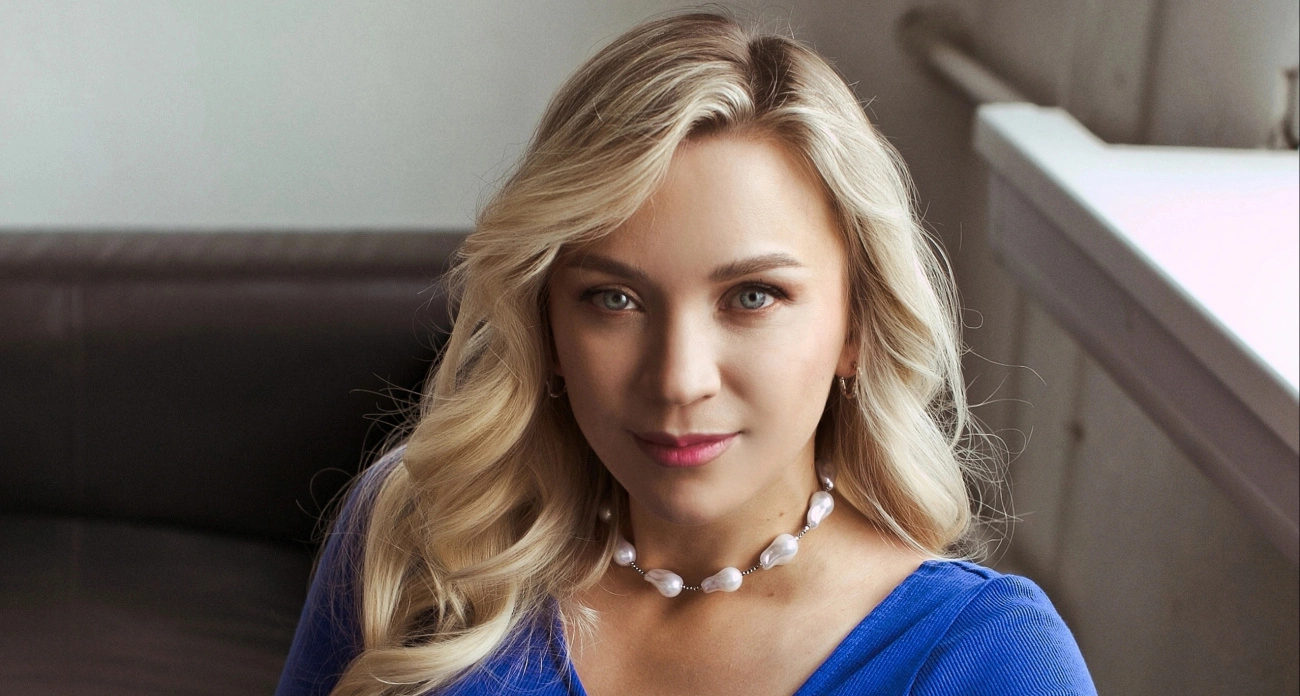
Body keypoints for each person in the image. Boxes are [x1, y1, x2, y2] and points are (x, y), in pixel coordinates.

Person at [277, 12, 1096, 696]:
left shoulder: (987, 659)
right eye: (613, 299)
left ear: (857, 327)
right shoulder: (423, 533)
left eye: (753, 297)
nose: (678, 380)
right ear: (546, 325)